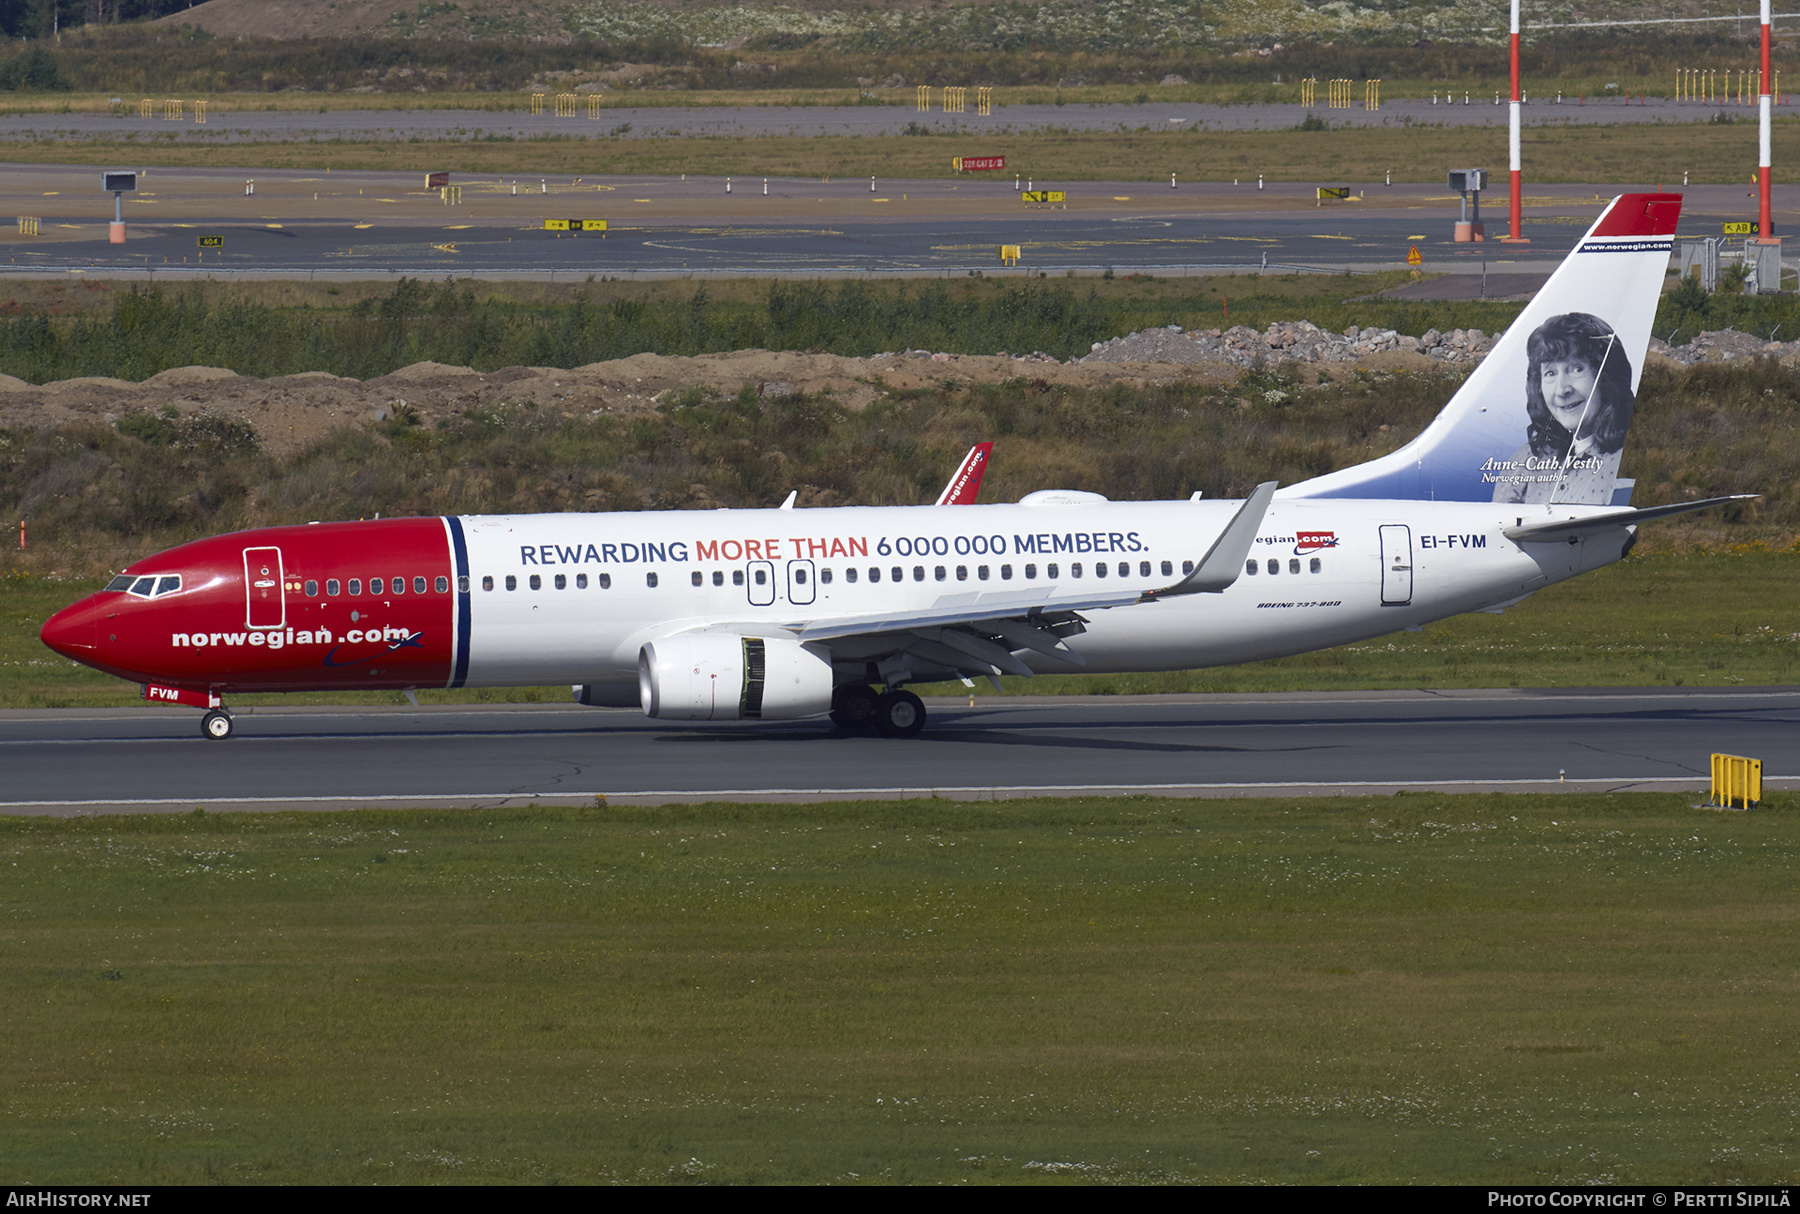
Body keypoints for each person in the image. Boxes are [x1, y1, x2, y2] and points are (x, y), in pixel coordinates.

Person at [1490, 312, 1634, 504]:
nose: (1562, 390)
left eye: (1576, 369)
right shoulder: (1524, 460)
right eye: (1550, 373)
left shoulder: (1625, 460)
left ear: (1606, 376)